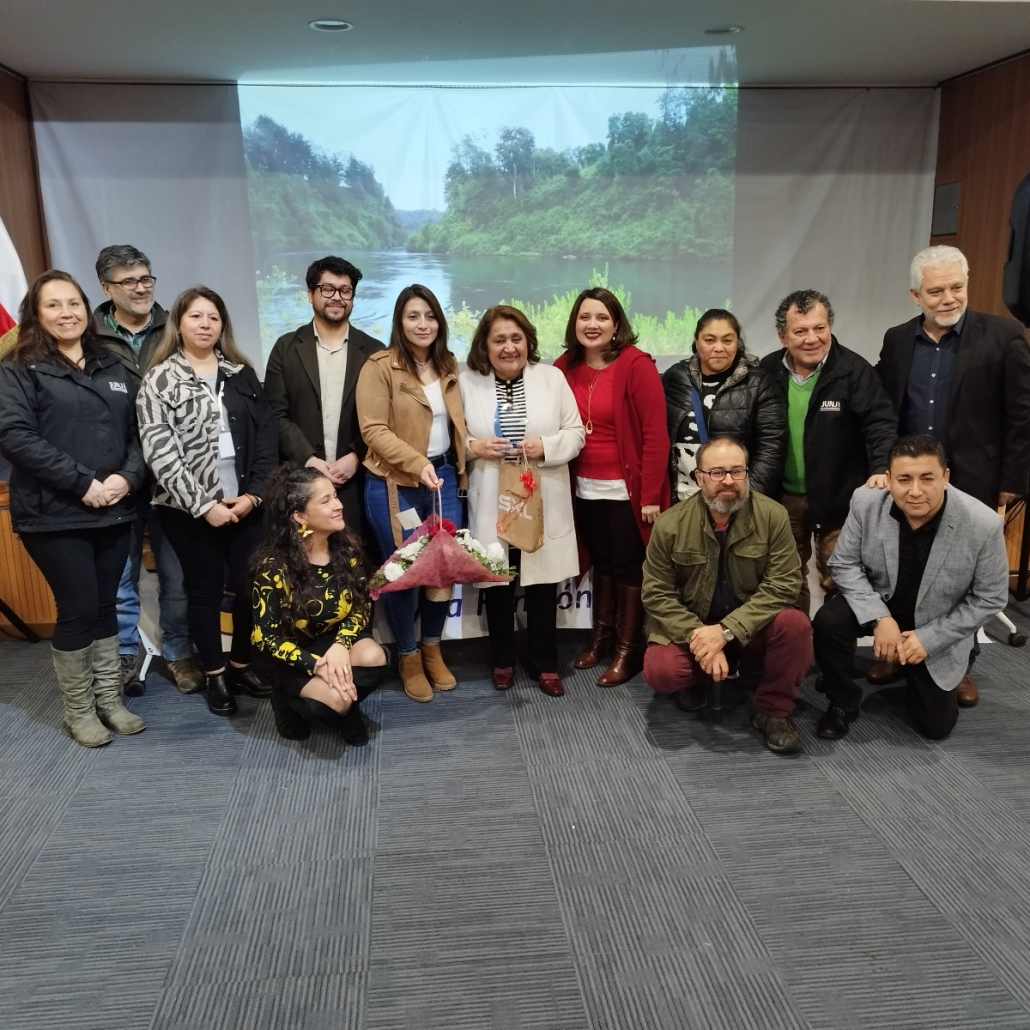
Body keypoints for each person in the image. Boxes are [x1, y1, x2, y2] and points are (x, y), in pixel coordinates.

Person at [875, 245, 1030, 704]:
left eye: (956, 288)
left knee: (961, 578)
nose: (948, 299)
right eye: (936, 291)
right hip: (909, 482)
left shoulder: (1003, 336)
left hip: (973, 479)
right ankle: (895, 651)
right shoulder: (896, 340)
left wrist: (1012, 480)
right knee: (903, 568)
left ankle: (960, 664)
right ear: (915, 295)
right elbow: (886, 411)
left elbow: (1022, 414)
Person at [0, 271, 147, 747]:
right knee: (79, 607)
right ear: (35, 314)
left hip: (114, 507)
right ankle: (78, 711)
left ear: (87, 308)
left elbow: (139, 433)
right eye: (54, 305)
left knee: (105, 606)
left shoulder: (111, 364)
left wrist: (128, 477)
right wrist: (83, 483)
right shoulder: (18, 367)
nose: (67, 313)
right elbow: (15, 436)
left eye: (74, 303)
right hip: (53, 512)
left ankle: (109, 701)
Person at [136, 286, 278, 717]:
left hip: (245, 502)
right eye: (196, 316)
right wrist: (203, 505)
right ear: (178, 324)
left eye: (213, 318)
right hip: (186, 509)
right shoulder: (159, 379)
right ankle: (215, 675)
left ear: (222, 326)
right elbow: (160, 453)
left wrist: (254, 495)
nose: (205, 324)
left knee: (251, 589)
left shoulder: (242, 374)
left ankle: (240, 665)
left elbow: (267, 438)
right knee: (203, 591)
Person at [813, 435, 1008, 742]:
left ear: (945, 477)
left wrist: (929, 639)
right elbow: (843, 564)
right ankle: (841, 701)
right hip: (881, 602)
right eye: (904, 479)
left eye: (927, 478)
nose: (915, 491)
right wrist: (879, 618)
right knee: (829, 621)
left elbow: (989, 598)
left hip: (935, 620)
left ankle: (926, 664)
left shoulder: (982, 523)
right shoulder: (866, 502)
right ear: (889, 479)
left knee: (936, 727)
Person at [641, 436, 811, 754]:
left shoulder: (773, 516)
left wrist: (726, 631)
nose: (729, 481)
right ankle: (699, 678)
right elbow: (657, 593)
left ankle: (773, 712)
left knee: (795, 625)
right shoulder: (669, 524)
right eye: (717, 472)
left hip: (749, 625)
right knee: (662, 672)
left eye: (737, 471)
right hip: (695, 626)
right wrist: (700, 637)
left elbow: (785, 584)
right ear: (699, 477)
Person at [460, 305, 585, 696]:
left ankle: (545, 662)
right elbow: (450, 438)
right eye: (499, 340)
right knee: (498, 580)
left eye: (516, 339)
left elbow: (576, 432)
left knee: (542, 584)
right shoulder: (467, 382)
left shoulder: (551, 378)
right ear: (485, 345)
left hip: (540, 492)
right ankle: (502, 659)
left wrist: (546, 446)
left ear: (528, 342)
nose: (509, 347)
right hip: (492, 494)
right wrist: (474, 447)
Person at [93, 244, 199, 692]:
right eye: (129, 281)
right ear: (106, 288)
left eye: (146, 279)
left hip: (172, 475)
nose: (141, 288)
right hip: (115, 475)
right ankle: (124, 656)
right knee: (121, 577)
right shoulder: (89, 335)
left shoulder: (176, 326)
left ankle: (179, 652)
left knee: (177, 575)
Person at [356, 284, 467, 703]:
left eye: (430, 316)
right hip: (395, 483)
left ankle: (432, 648)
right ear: (399, 322)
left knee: (442, 570)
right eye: (413, 316)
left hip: (443, 479)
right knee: (403, 574)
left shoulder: (448, 363)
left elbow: (455, 425)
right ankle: (407, 656)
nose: (423, 324)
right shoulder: (380, 366)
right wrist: (416, 463)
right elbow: (373, 430)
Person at [554, 287, 670, 686]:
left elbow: (655, 435)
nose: (593, 325)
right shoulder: (564, 367)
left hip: (627, 491)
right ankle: (600, 637)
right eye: (585, 317)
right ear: (574, 323)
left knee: (628, 567)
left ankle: (627, 648)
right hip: (581, 488)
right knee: (601, 562)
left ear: (616, 324)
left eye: (602, 317)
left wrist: (651, 495)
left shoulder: (636, 365)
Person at [759, 289, 897, 614]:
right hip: (782, 501)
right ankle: (797, 643)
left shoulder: (854, 370)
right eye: (800, 331)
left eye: (819, 328)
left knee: (842, 580)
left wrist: (881, 468)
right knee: (784, 582)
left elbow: (881, 424)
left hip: (840, 500)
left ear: (830, 326)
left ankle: (833, 645)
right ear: (782, 336)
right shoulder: (766, 370)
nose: (812, 339)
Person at [251, 465, 388, 744]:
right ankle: (287, 702)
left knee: (376, 658)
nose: (339, 506)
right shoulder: (272, 565)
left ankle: (346, 706)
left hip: (331, 640)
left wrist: (341, 645)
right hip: (290, 655)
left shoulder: (347, 547)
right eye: (325, 501)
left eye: (335, 496)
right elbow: (265, 638)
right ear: (299, 516)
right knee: (334, 702)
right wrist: (316, 665)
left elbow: (361, 607)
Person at [263, 256, 384, 546]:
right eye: (327, 289)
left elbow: (384, 418)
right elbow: (276, 414)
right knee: (302, 563)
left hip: (357, 482)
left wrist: (355, 456)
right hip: (300, 486)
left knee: (357, 560)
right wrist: (310, 460)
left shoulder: (375, 351)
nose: (337, 297)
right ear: (310, 294)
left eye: (345, 290)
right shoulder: (285, 348)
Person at [662, 308, 785, 501]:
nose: (719, 348)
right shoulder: (675, 377)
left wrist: (747, 501)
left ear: (737, 342)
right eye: (709, 340)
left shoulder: (759, 384)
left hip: (734, 500)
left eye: (727, 340)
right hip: (681, 499)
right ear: (696, 341)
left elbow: (771, 447)